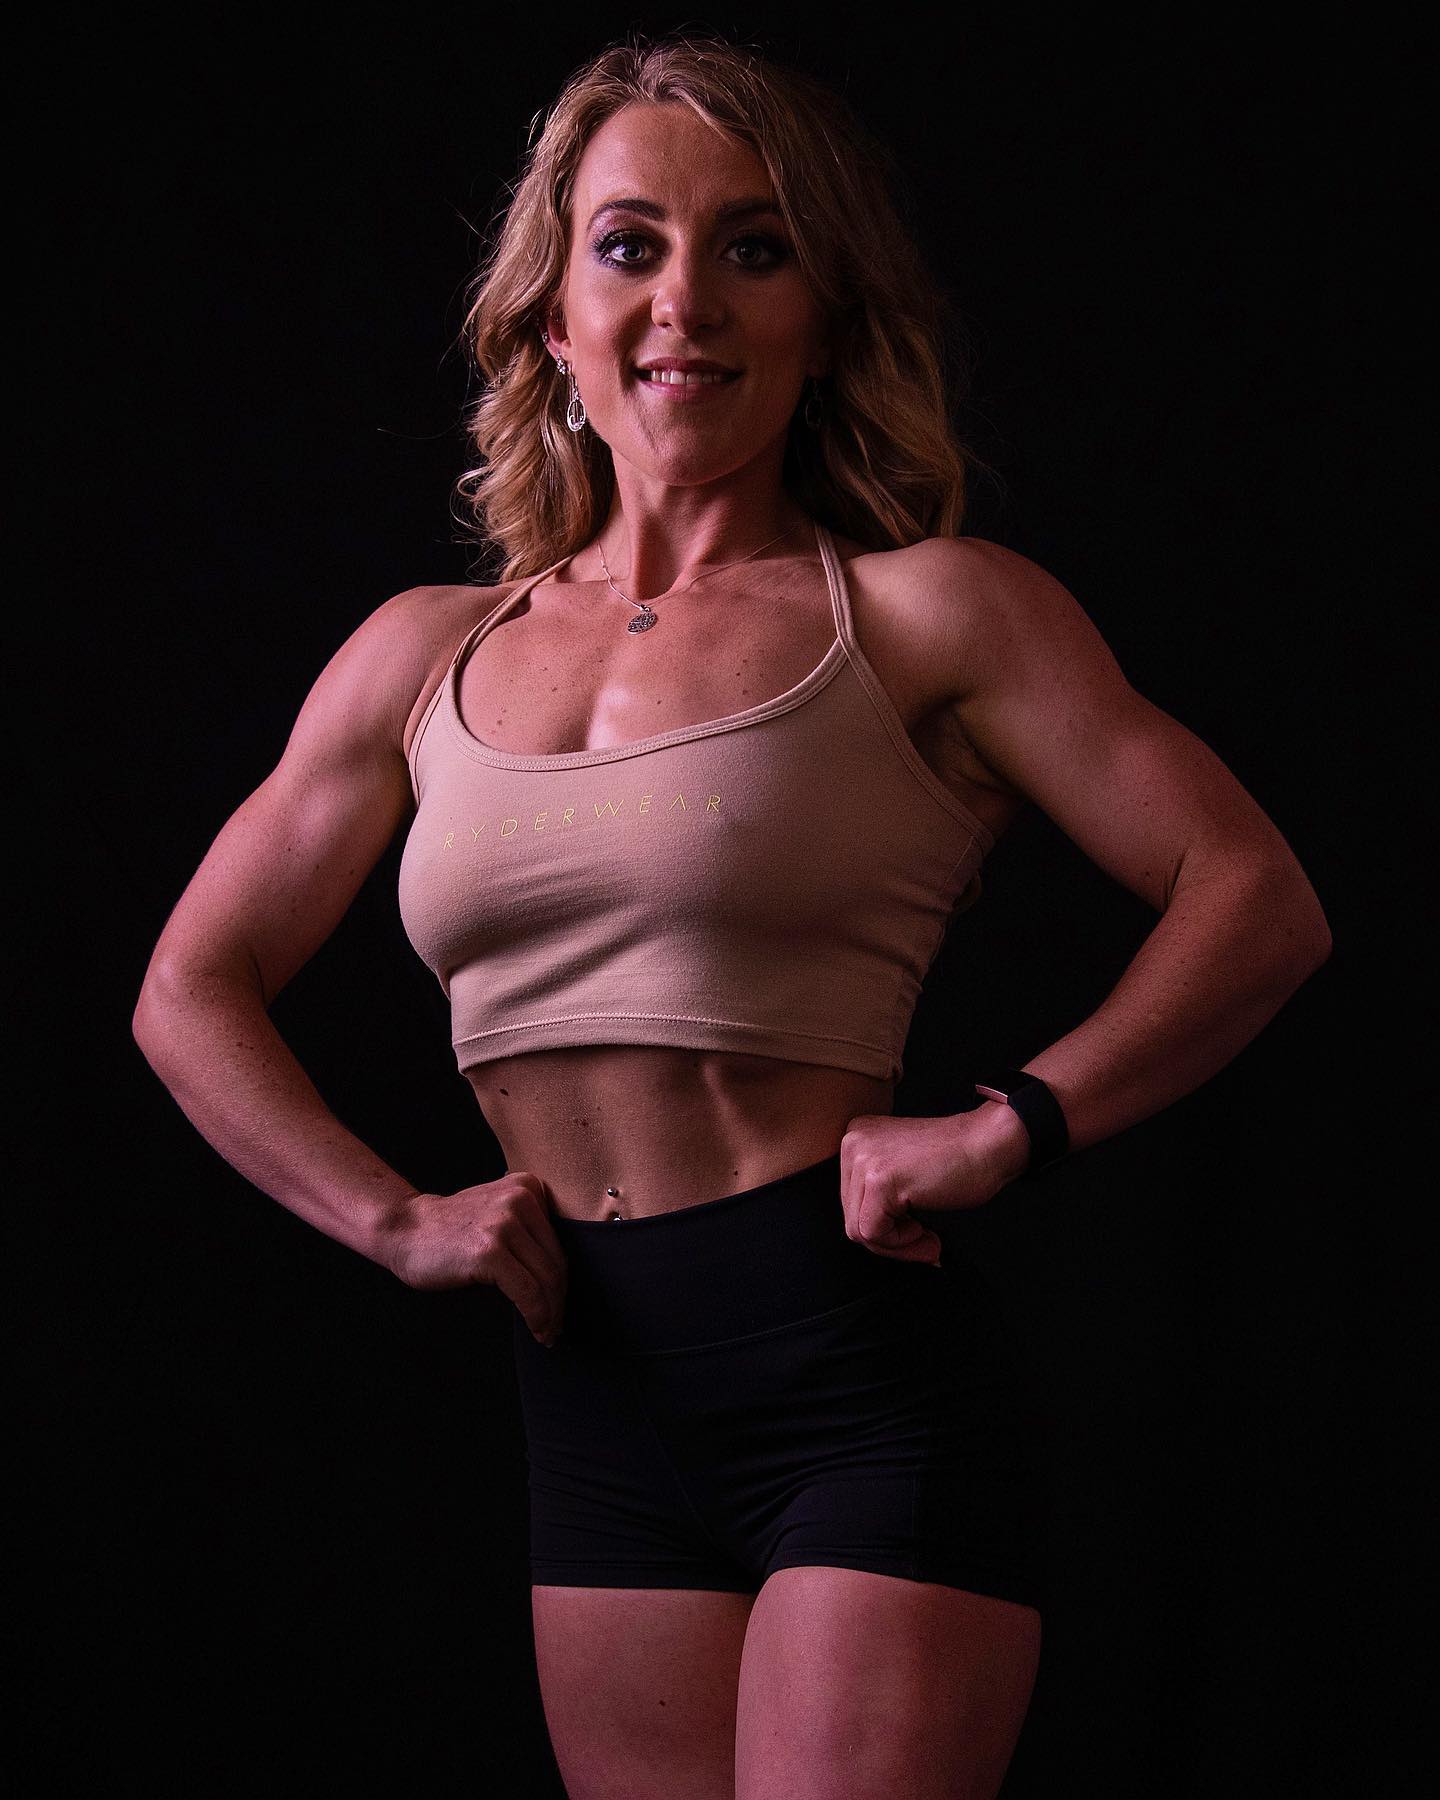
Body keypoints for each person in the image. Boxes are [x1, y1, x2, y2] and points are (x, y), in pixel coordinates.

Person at [132, 31, 1332, 1800]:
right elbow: (190, 984)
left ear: (822, 318)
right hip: (591, 1396)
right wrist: (392, 1221)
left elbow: (1255, 896)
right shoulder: (418, 656)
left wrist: (1012, 1125)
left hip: (854, 1380)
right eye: (631, 245)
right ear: (555, 320)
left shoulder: (926, 615)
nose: (685, 300)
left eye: (755, 248)